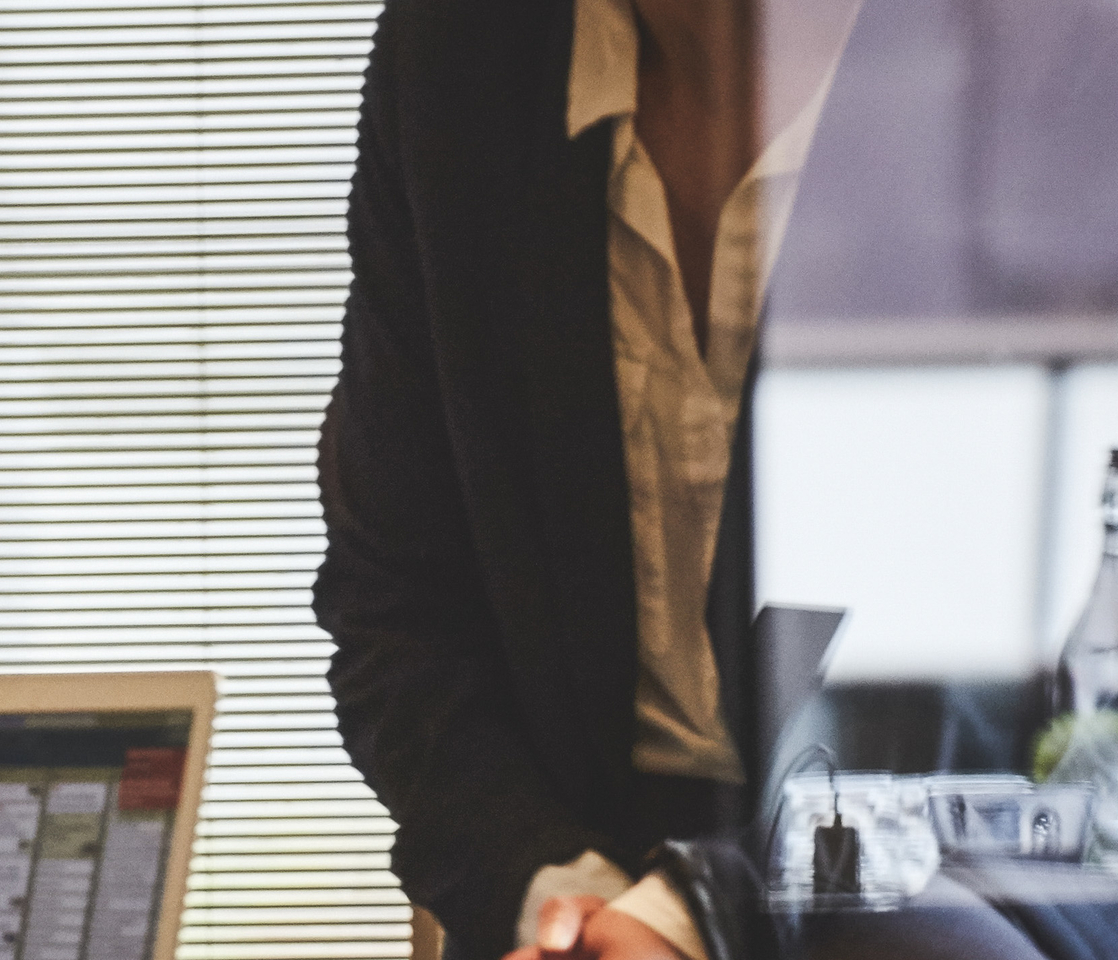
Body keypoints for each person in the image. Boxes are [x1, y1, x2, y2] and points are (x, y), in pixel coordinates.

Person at [314, 0, 854, 958]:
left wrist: (683, 920)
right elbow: (395, 608)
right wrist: (567, 903)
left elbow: (1004, 687)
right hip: (571, 885)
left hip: (932, 901)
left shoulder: (1045, 51)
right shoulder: (452, 50)